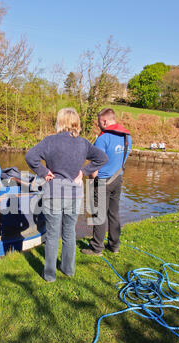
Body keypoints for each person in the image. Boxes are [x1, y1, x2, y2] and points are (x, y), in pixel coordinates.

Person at [25, 108, 108, 283]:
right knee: (70, 232)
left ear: (60, 122)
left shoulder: (50, 141)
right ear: (76, 122)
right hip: (74, 194)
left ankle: (49, 275)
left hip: (54, 193)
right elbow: (102, 158)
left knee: (53, 234)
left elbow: (30, 156)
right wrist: (83, 172)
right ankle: (68, 270)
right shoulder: (83, 143)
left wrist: (43, 171)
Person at [82, 108, 132, 256]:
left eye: (99, 122)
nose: (98, 125)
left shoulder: (103, 138)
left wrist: (92, 181)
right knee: (114, 213)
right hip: (118, 179)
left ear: (104, 121)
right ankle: (114, 245)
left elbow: (94, 165)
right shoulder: (127, 137)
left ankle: (97, 247)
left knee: (99, 214)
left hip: (103, 181)